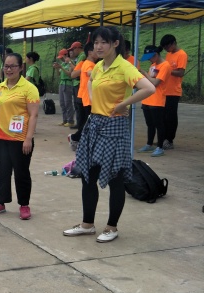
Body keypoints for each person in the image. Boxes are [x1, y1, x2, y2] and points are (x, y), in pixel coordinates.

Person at [63, 26, 155, 243]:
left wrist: (124, 104)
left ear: (115, 43)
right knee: (88, 176)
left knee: (115, 178)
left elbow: (148, 88)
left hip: (114, 127)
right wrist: (97, 105)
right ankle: (87, 224)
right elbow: (92, 83)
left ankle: (112, 227)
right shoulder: (98, 67)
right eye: (96, 43)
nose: (98, 46)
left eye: (103, 42)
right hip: (95, 124)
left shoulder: (125, 67)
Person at [0, 53, 39, 220]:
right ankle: (0, 202)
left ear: (20, 68)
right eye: (6, 66)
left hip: (21, 139)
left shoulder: (29, 88)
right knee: (2, 172)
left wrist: (28, 138)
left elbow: (33, 115)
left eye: (12, 66)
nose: (8, 70)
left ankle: (24, 204)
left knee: (21, 173)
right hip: (0, 138)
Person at [138, 45, 171, 158]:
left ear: (156, 55)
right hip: (147, 98)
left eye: (150, 58)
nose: (149, 60)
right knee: (150, 124)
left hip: (157, 100)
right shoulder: (153, 65)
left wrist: (144, 73)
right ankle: (149, 143)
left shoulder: (165, 66)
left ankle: (160, 147)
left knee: (159, 124)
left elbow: (155, 83)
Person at [160, 34, 187, 150]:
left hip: (174, 91)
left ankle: (170, 140)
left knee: (171, 116)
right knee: (164, 116)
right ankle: (164, 137)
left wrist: (168, 70)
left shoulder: (182, 54)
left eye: (167, 47)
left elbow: (180, 72)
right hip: (165, 89)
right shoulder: (168, 54)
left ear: (173, 43)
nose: (166, 50)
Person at [69, 42, 98, 149]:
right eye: (96, 49)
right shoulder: (89, 64)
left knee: (86, 122)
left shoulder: (87, 63)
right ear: (90, 52)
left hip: (85, 97)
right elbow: (90, 73)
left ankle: (79, 139)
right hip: (88, 98)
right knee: (89, 123)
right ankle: (75, 137)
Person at [53, 49, 75, 126]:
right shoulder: (63, 64)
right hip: (62, 83)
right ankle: (65, 120)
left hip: (68, 83)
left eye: (62, 57)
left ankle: (70, 120)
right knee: (62, 103)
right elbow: (58, 74)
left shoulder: (70, 63)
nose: (61, 59)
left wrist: (61, 67)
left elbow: (70, 74)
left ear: (66, 55)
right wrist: (56, 68)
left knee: (68, 103)